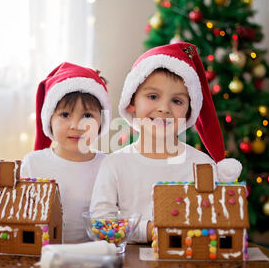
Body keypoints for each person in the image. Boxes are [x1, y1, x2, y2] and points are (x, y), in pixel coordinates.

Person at [90, 42, 242, 243]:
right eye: (153, 96)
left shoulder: (202, 165)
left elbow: (215, 219)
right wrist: (150, 229)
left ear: (189, 111)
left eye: (177, 101)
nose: (164, 108)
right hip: (129, 264)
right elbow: (100, 223)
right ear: (132, 102)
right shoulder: (115, 164)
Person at [21, 62, 111, 242]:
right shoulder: (34, 163)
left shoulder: (107, 165)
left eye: (87, 116)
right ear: (49, 119)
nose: (76, 125)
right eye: (65, 115)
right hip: (43, 257)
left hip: (92, 257)